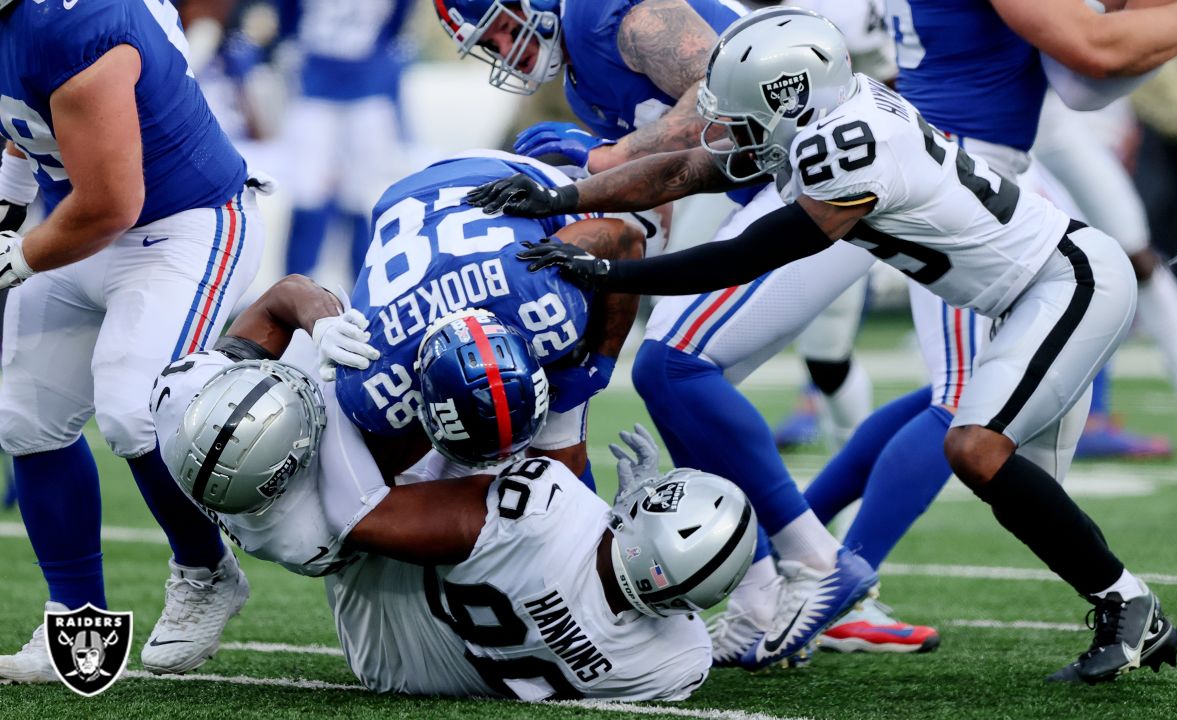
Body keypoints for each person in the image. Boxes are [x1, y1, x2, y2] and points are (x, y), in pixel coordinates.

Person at [473, 8, 1177, 682]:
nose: (728, 129)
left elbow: (746, 256)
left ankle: (1129, 606)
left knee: (975, 449)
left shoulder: (847, 149)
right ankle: (1128, 610)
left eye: (742, 114)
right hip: (1021, 296)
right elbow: (686, 168)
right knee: (999, 467)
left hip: (1064, 284)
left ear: (791, 100)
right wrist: (568, 198)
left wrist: (608, 272)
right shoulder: (828, 116)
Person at [436, 0, 917, 665]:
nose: (498, 47)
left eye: (493, 27)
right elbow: (666, 183)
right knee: (688, 401)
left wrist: (604, 157)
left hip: (824, 185)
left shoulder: (610, 15)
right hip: (781, 196)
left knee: (673, 369)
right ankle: (761, 595)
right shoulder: (579, 70)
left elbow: (708, 99)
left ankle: (816, 563)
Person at [151, 275, 756, 700]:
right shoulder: (675, 667)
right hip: (408, 663)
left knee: (474, 387)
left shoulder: (196, 411)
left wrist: (344, 383)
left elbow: (359, 514)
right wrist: (618, 531)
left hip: (374, 596)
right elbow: (667, 609)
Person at [0, 0, 264, 681]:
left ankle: (207, 569)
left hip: (187, 220)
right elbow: (22, 117)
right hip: (81, 218)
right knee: (24, 413)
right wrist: (9, 206)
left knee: (134, 404)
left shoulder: (73, 23)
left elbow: (114, 199)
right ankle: (77, 616)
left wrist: (19, 256)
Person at [886, 0, 1177, 448]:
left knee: (1123, 253)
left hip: (1036, 114)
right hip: (977, 124)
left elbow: (1088, 62)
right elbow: (1087, 52)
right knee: (969, 380)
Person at [333, 151, 644, 485]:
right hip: (416, 205)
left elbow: (625, 239)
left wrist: (598, 362)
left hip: (511, 178)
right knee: (383, 480)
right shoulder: (375, 385)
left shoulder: (546, 305)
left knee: (558, 457)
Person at [276, 0, 416, 281]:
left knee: (364, 197)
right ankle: (292, 289)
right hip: (316, 90)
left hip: (366, 93)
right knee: (308, 194)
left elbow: (397, 25)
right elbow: (287, 21)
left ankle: (367, 292)